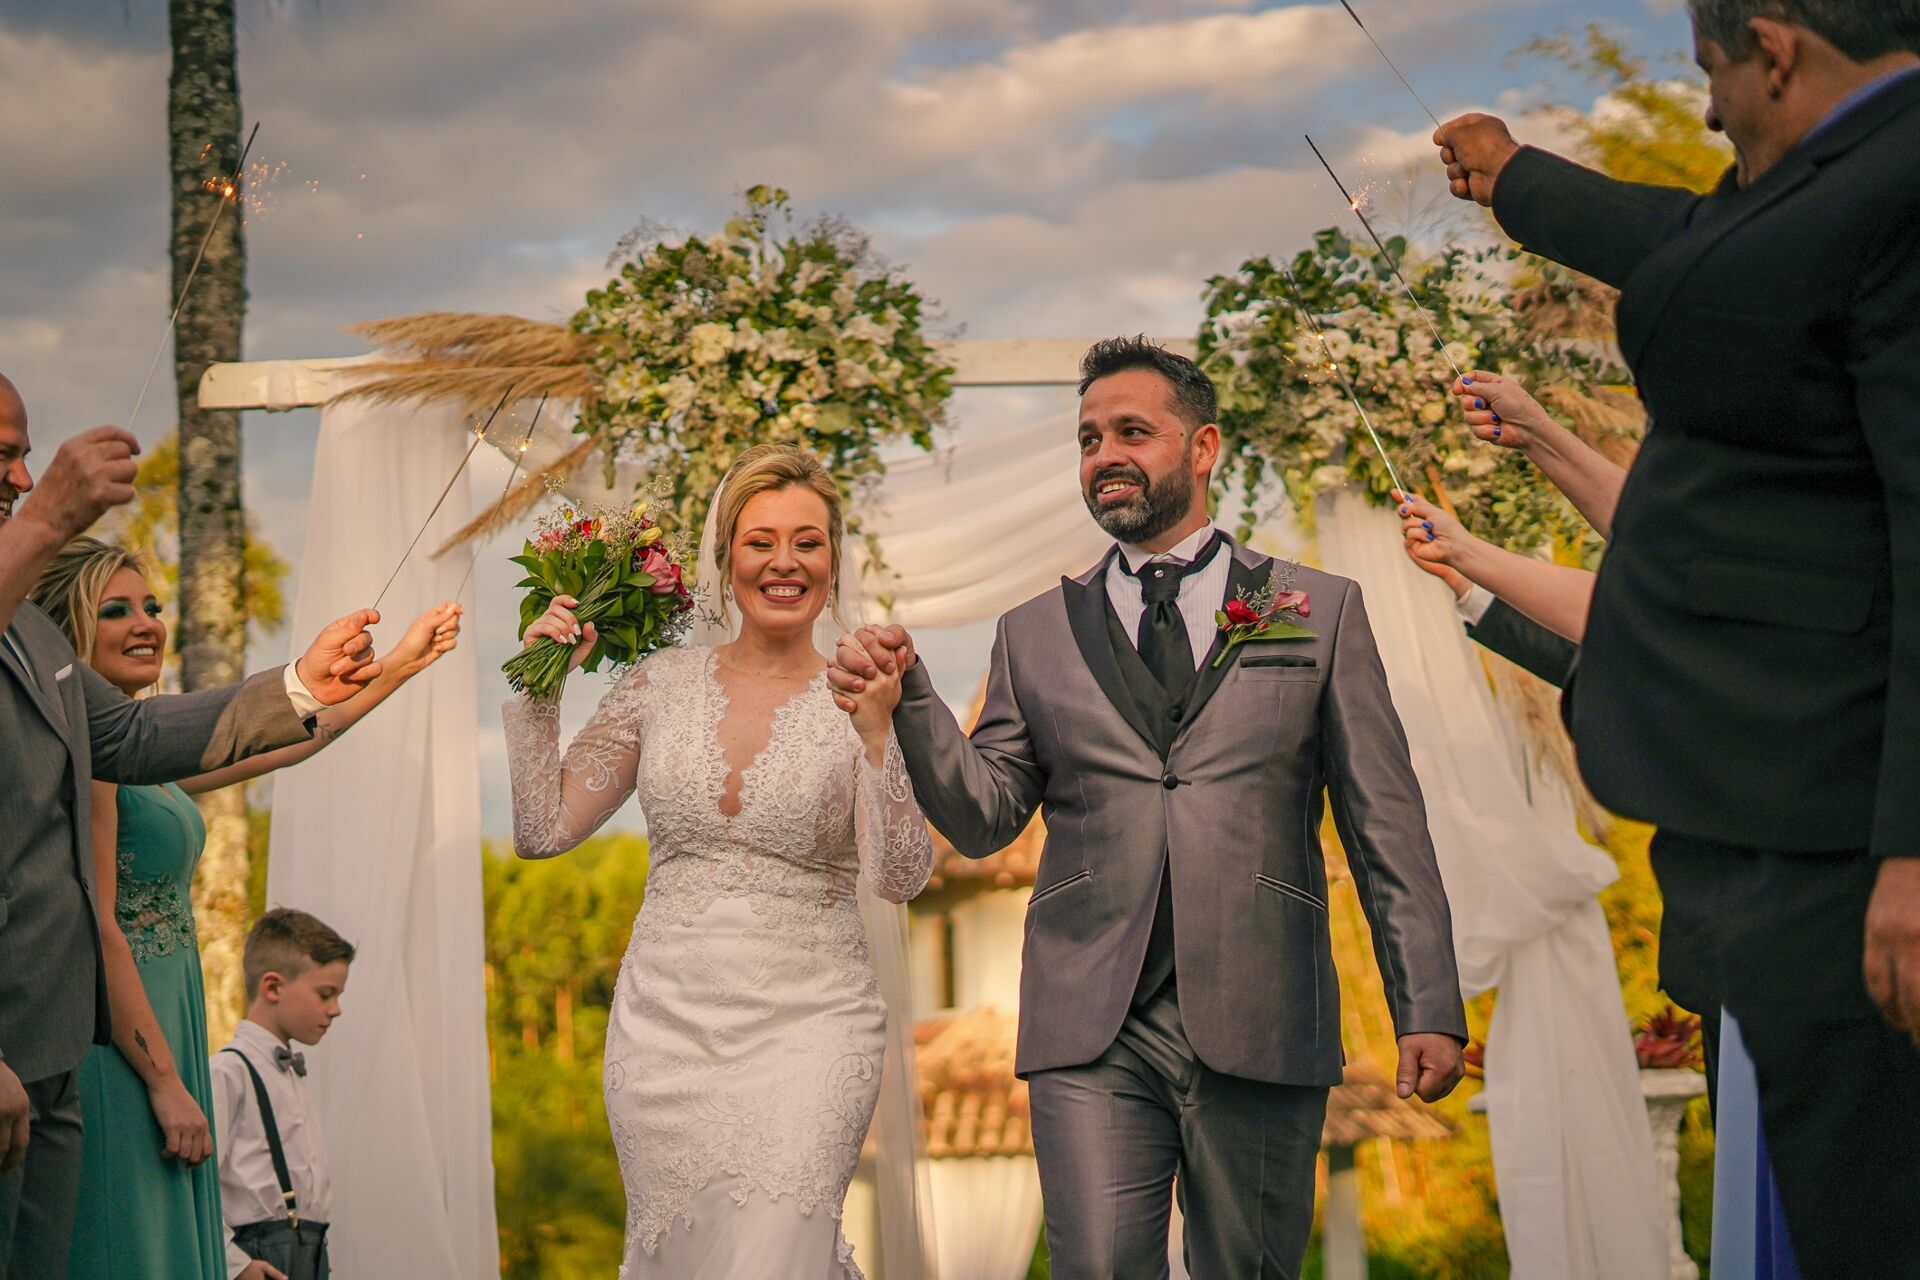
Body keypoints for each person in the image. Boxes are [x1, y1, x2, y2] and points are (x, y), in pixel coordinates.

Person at [1434, 2, 1920, 1269]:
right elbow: (1701, 233)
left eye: (1712, 73)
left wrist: (1915, 853)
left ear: (1773, 46)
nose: (1705, 110)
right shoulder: (1840, 184)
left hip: (1846, 828)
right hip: (1783, 824)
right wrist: (1518, 181)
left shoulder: (1898, 190)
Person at [829, 337, 1467, 1279]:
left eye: (1133, 431)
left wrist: (1429, 1003)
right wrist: (915, 698)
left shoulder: (1313, 608)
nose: (1105, 455)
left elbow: (1385, 825)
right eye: (1089, 439)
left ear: (1203, 448)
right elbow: (985, 818)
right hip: (1091, 1020)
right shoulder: (1033, 632)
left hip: (1264, 1006)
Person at [502, 444, 936, 1278]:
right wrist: (540, 689)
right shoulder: (658, 685)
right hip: (663, 1036)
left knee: (778, 1256)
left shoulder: (864, 689)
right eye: (760, 540)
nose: (783, 562)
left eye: (807, 542)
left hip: (812, 1028)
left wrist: (880, 734)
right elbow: (541, 830)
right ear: (725, 555)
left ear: (834, 561)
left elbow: (901, 877)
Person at [0, 373, 382, 1280]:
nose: (18, 478)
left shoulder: (30, 632)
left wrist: (299, 686)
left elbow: (133, 734)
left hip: (56, 1058)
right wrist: (50, 518)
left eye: (22, 455)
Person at [23, 536, 460, 1280]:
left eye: (152, 607)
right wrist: (163, 1081)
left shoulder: (144, 757)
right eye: (116, 610)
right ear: (69, 632)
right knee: (130, 1245)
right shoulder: (89, 761)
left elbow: (285, 743)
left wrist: (402, 666)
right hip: (123, 1044)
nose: (147, 624)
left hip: (171, 1019)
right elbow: (101, 927)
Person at [209, 909, 356, 1280]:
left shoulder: (288, 1073)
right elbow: (194, 1189)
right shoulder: (229, 1073)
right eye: (325, 994)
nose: (335, 1010)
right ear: (273, 987)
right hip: (259, 1257)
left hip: (308, 1253)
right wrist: (235, 1265)